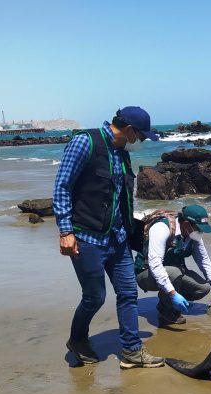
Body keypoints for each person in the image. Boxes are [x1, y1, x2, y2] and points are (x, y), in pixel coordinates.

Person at [53, 106, 164, 369]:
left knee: (128, 293)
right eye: (141, 136)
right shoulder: (85, 142)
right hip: (87, 237)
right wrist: (65, 231)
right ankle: (77, 340)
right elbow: (62, 186)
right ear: (128, 130)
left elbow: (120, 198)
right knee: (94, 297)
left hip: (118, 238)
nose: (142, 141)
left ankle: (132, 351)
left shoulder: (121, 153)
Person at [135, 205, 211, 325]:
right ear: (186, 224)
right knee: (174, 273)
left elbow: (204, 260)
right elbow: (155, 265)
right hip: (146, 274)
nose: (201, 232)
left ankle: (167, 300)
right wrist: (172, 294)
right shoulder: (162, 228)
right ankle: (165, 309)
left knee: (203, 288)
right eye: (199, 228)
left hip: (172, 272)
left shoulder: (193, 235)